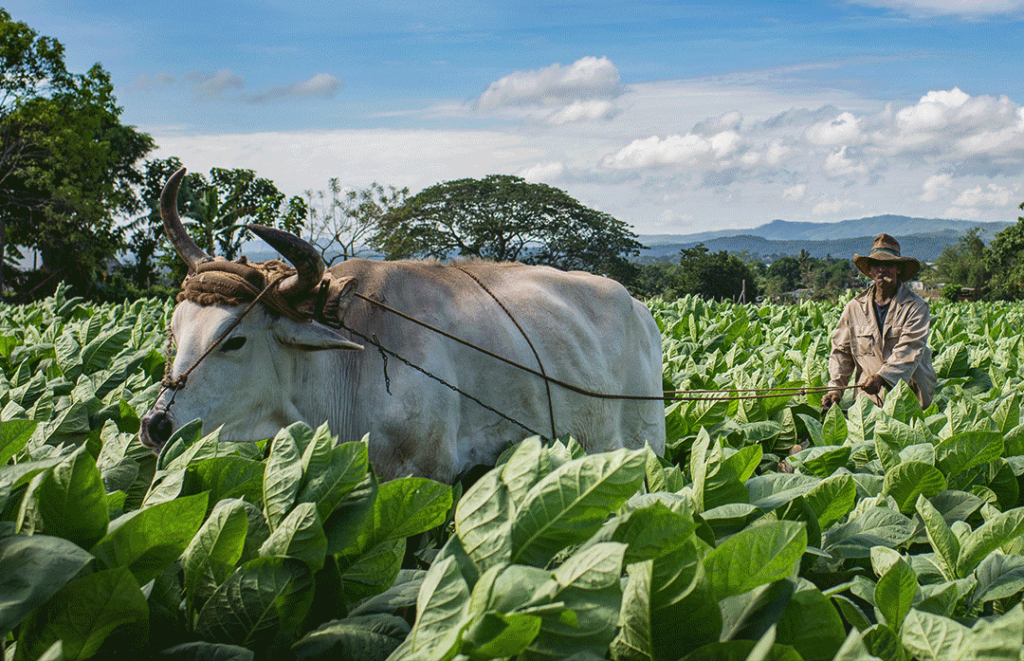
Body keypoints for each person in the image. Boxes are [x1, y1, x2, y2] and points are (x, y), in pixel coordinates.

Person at [822, 233, 937, 411]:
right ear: (870, 271)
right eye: (876, 264)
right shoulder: (854, 308)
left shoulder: (916, 307)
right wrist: (835, 388)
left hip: (909, 396)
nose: (882, 269)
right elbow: (841, 352)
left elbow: (910, 349)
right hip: (869, 398)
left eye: (888, 264)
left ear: (898, 269)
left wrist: (882, 377)